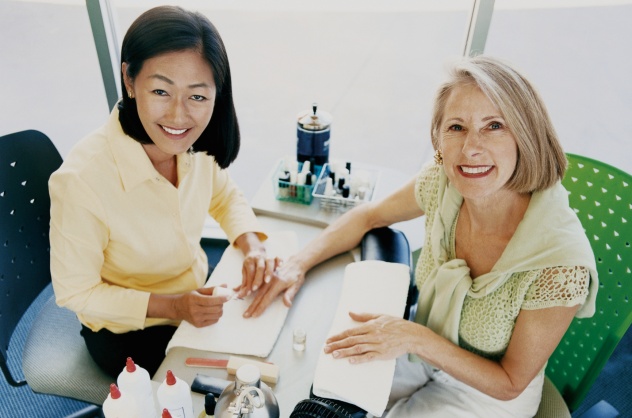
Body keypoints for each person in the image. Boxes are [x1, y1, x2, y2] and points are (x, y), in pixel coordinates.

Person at [242, 56, 598, 416]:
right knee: (315, 386)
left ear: (526, 134)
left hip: (484, 392)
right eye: (456, 127)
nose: (471, 148)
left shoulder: (561, 265)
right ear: (439, 139)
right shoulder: (443, 180)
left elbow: (509, 383)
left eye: (494, 126)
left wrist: (414, 338)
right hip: (421, 348)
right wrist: (297, 264)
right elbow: (368, 216)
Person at [49, 6, 276, 378]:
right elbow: (77, 294)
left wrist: (252, 244)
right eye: (160, 91)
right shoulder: (81, 180)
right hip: (130, 332)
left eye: (197, 97)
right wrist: (174, 307)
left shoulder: (195, 146)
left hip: (195, 297)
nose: (178, 116)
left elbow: (223, 194)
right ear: (129, 79)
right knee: (236, 386)